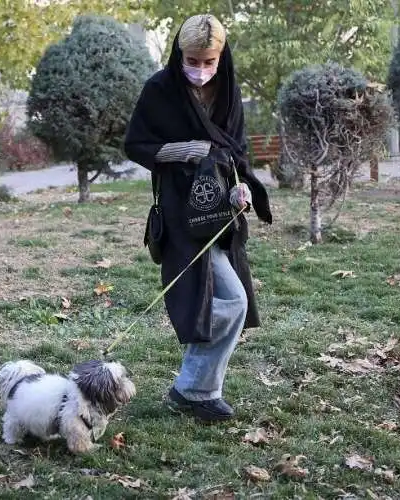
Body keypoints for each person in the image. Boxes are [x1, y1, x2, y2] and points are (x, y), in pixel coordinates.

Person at [124, 14, 273, 423]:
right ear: (178, 54)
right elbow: (135, 145)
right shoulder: (158, 89)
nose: (201, 71)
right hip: (179, 211)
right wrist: (183, 149)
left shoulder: (227, 89)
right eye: (193, 60)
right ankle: (194, 389)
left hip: (222, 208)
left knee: (228, 301)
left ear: (221, 57)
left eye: (210, 62)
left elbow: (237, 149)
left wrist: (241, 187)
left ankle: (193, 388)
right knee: (227, 298)